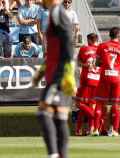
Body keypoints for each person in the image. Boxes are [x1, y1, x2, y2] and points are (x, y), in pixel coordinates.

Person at [32, 0, 75, 157]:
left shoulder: (57, 12)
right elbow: (54, 52)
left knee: (44, 113)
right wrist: (41, 73)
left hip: (59, 76)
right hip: (56, 74)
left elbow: (69, 42)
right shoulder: (53, 13)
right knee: (59, 117)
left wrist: (68, 73)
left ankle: (54, 154)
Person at [92, 27, 120, 137]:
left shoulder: (102, 46)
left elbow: (98, 62)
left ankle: (96, 130)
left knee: (99, 103)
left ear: (109, 35)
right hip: (117, 78)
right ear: (118, 36)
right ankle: (115, 130)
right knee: (115, 104)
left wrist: (103, 64)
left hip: (105, 77)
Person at [75, 33, 99, 136]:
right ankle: (91, 128)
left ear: (88, 39)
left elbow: (78, 61)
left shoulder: (84, 48)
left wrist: (84, 64)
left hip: (86, 80)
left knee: (80, 104)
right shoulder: (101, 49)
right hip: (97, 80)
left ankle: (80, 129)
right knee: (91, 105)